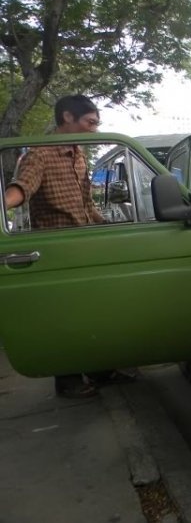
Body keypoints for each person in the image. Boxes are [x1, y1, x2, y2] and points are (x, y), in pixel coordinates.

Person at [2, 94, 134, 397]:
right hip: (56, 250)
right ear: (67, 118)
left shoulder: (78, 154)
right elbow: (21, 189)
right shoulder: (40, 154)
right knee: (66, 317)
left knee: (95, 311)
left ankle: (102, 371)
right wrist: (3, 205)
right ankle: (68, 381)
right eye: (90, 123)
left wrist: (109, 226)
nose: (93, 130)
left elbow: (86, 203)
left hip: (84, 244)